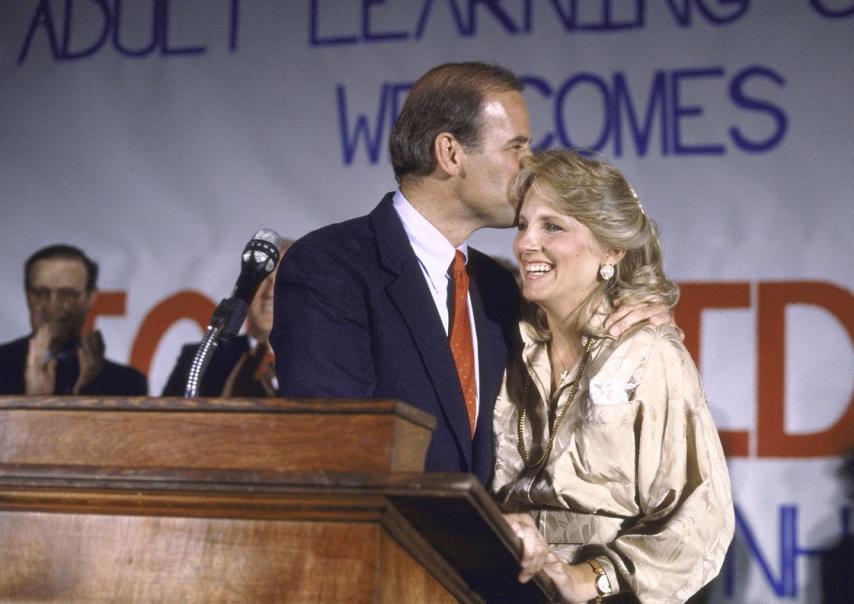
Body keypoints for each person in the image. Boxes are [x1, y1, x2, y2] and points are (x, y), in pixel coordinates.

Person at [272, 62, 666, 484]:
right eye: (516, 148)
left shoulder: (496, 287)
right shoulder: (333, 265)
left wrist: (629, 315)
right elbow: (335, 447)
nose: (529, 165)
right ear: (450, 153)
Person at [491, 150, 734, 603]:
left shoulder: (648, 353)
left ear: (612, 248)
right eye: (523, 224)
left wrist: (590, 578)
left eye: (553, 226)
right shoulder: (503, 335)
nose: (525, 243)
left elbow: (701, 517)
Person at [0, 244, 147, 396]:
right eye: (41, 293)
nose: (53, 306)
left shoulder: (127, 383)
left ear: (91, 297)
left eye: (68, 295)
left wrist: (85, 394)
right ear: (27, 295)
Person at [162, 238, 292, 397]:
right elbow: (165, 420)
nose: (269, 292)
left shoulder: (323, 359)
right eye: (263, 280)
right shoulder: (200, 359)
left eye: (281, 281)